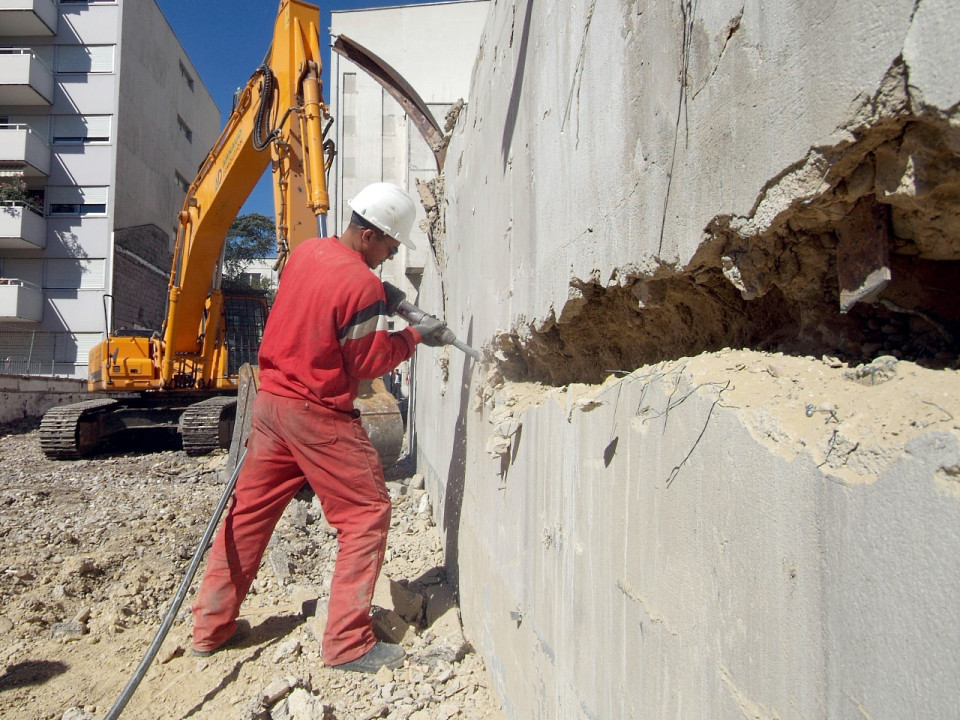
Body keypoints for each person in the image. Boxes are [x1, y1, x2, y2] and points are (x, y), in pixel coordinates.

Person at [191, 182, 447, 673]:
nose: (391, 256)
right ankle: (348, 645)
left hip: (270, 407)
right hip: (317, 414)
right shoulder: (362, 285)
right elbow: (367, 362)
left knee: (247, 517)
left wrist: (381, 295)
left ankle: (211, 629)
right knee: (366, 512)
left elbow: (322, 299)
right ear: (370, 235)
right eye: (391, 247)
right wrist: (414, 335)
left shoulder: (307, 253)